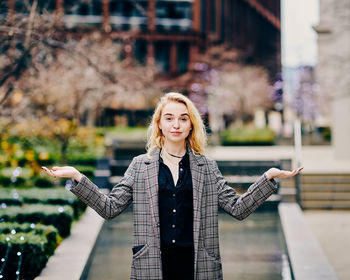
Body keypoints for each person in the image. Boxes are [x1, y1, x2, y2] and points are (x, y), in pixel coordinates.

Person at [42, 92, 303, 280]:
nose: (176, 124)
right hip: (153, 264)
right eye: (169, 118)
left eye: (183, 118)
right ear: (159, 124)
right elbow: (110, 208)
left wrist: (268, 178)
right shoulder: (139, 165)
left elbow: (238, 208)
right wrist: (77, 177)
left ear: (191, 125)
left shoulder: (206, 167)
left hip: (198, 265)